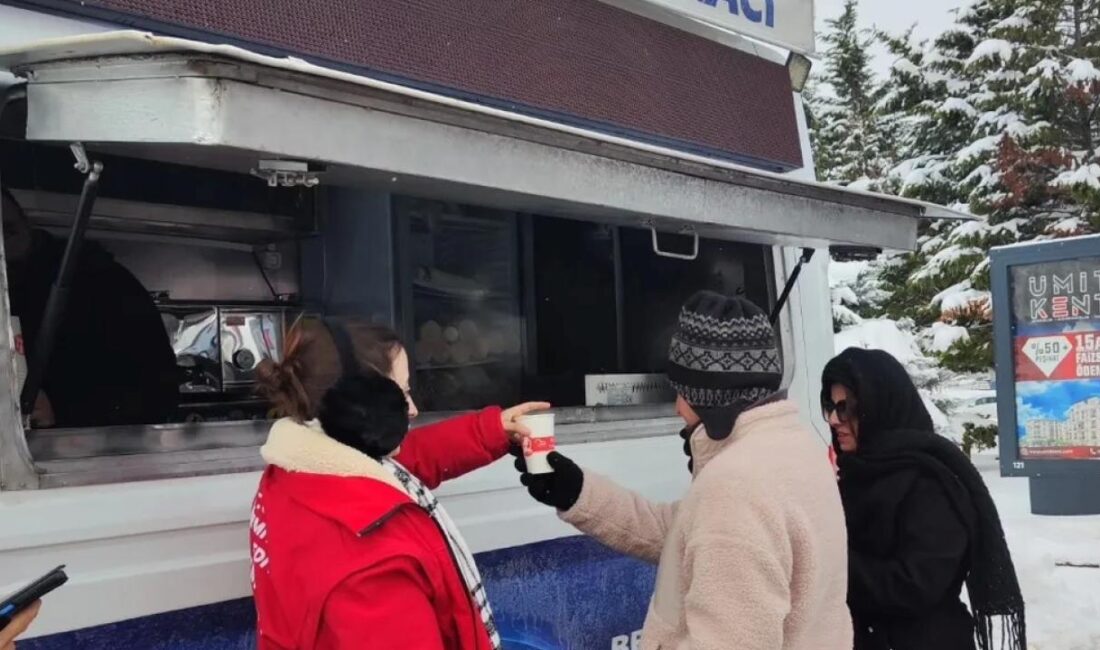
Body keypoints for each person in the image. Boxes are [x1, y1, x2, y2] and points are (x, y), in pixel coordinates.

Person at [516, 292, 851, 650]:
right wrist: (576, 491)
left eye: (681, 392)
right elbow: (682, 533)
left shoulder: (738, 486)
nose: (676, 407)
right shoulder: (797, 450)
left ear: (710, 396)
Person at [250, 316, 549, 649]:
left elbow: (411, 457)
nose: (413, 410)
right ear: (357, 404)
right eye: (402, 394)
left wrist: (492, 429)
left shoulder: (299, 472)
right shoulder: (372, 563)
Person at [822, 348, 1026, 650]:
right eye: (829, 407)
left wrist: (832, 565)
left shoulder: (929, 480)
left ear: (878, 406)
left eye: (845, 408)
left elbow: (917, 584)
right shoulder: (857, 473)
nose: (834, 420)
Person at [1, 186, 177, 427]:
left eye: (8, 232)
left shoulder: (100, 281)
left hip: (86, 452)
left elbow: (159, 391)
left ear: (26, 224)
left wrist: (61, 411)